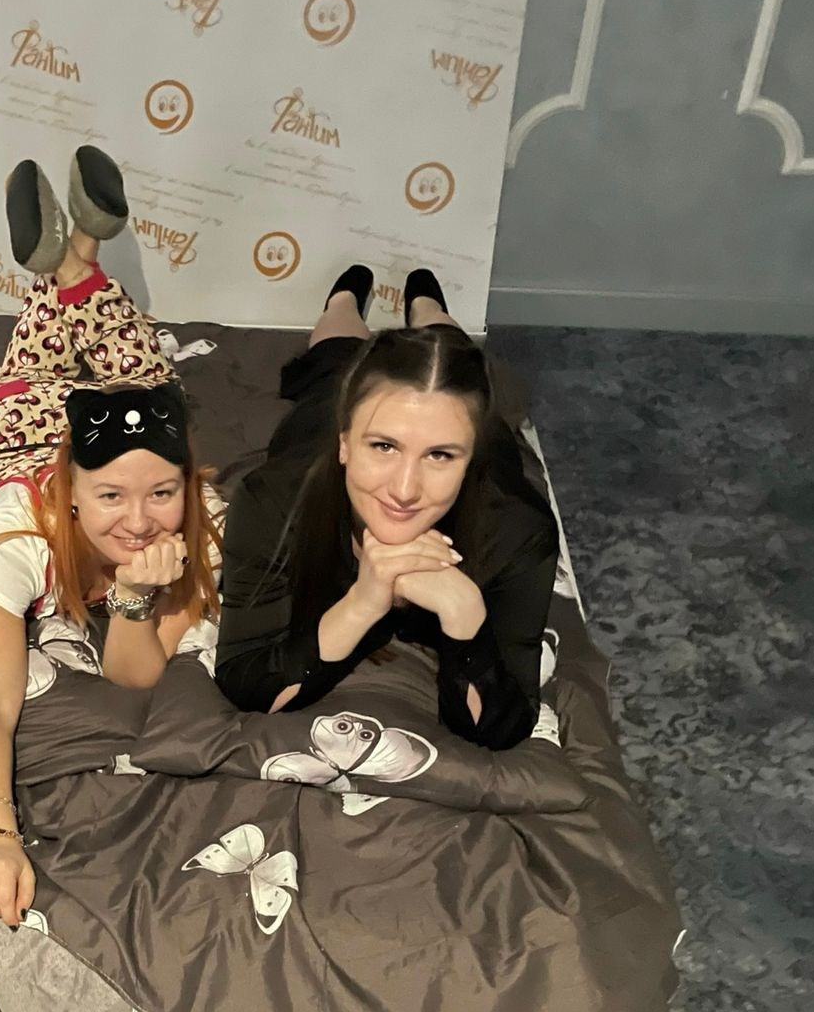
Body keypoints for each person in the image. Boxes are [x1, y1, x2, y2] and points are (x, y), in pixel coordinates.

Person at [0, 147, 224, 927]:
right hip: (2, 431)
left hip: (92, 419)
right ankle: (77, 263)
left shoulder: (204, 521)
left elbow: (135, 678)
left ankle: (70, 266)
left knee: (150, 388)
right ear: (71, 496)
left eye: (162, 494)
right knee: (101, 379)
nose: (139, 521)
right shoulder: (16, 530)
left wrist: (133, 597)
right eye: (111, 500)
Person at [214, 264, 559, 752]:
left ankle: (429, 309)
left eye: (440, 456)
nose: (404, 489)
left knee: (447, 356)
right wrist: (362, 603)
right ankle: (342, 304)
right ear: (345, 444)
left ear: (470, 460)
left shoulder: (517, 527)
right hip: (320, 413)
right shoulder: (273, 501)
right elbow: (245, 680)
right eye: (383, 446)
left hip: (477, 441)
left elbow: (504, 724)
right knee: (334, 356)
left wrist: (467, 618)